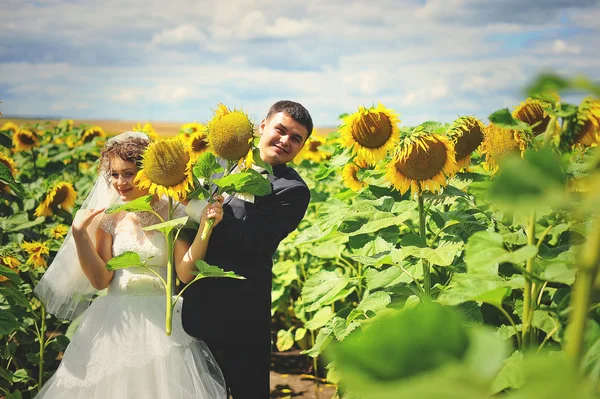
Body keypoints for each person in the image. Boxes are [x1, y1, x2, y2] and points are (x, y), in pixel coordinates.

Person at [34, 132, 227, 399]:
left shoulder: (173, 211)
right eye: (114, 174)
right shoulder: (109, 218)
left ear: (147, 173)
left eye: (128, 174)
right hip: (115, 320)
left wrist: (205, 229)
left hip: (162, 322)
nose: (119, 183)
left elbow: (184, 273)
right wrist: (80, 235)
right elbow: (101, 280)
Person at [181, 100, 313, 398]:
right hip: (194, 307)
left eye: (296, 139)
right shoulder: (216, 165)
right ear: (262, 126)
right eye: (280, 130)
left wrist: (199, 209)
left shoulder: (291, 190)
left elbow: (254, 242)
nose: (285, 141)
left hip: (240, 316)